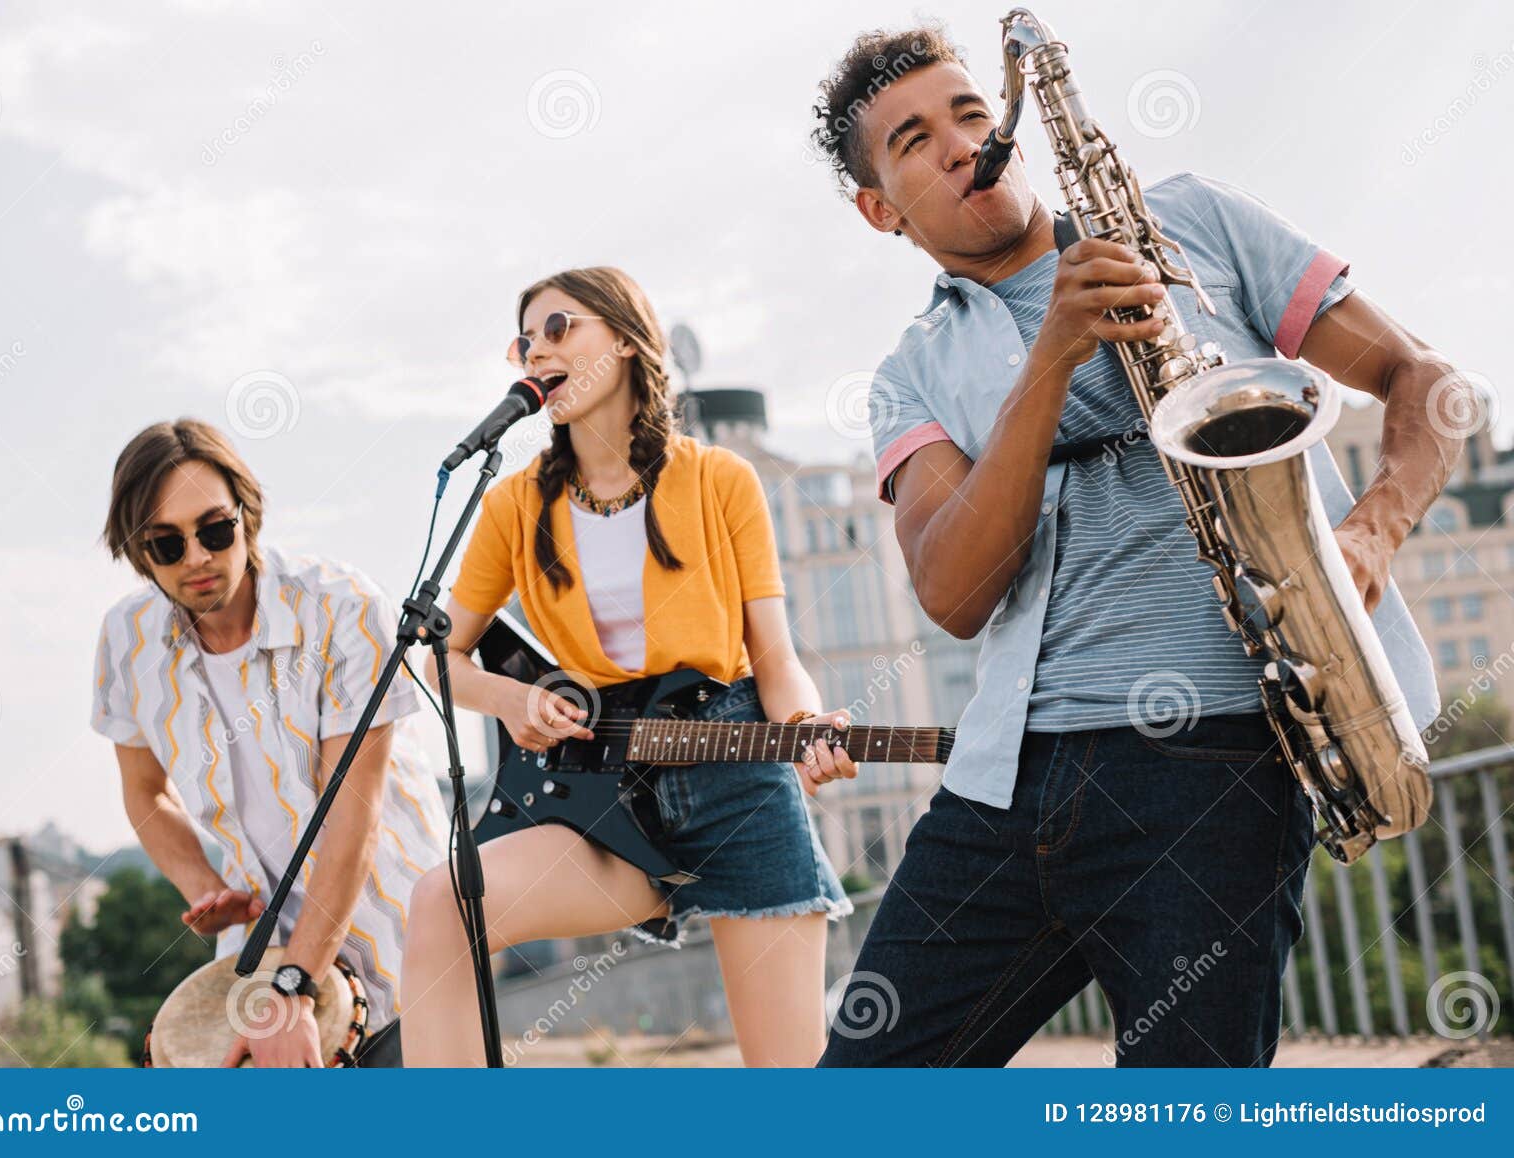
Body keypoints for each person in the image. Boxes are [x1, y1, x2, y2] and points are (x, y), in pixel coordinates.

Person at [809, 26, 1457, 1066]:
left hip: (1221, 764)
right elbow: (954, 592)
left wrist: (1367, 534)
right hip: (1003, 785)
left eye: (973, 113)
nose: (962, 142)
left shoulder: (1193, 220)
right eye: (914, 139)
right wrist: (1054, 355)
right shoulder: (910, 373)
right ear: (879, 210)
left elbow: (1428, 384)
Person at [401, 266, 853, 1066]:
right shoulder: (511, 505)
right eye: (526, 338)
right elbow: (438, 660)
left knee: (792, 1088)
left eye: (560, 328)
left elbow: (775, 660)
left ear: (626, 340)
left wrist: (806, 727)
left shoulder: (720, 480)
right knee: (445, 898)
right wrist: (509, 699)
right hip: (604, 800)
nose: (537, 351)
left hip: (737, 781)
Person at [92, 419, 449, 1067]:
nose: (198, 556)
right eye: (166, 544)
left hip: (403, 954)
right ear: (138, 553)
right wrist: (202, 885)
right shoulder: (126, 641)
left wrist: (295, 985)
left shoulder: (343, 607)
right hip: (257, 966)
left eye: (215, 529)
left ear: (246, 517)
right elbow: (145, 795)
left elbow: (354, 816)